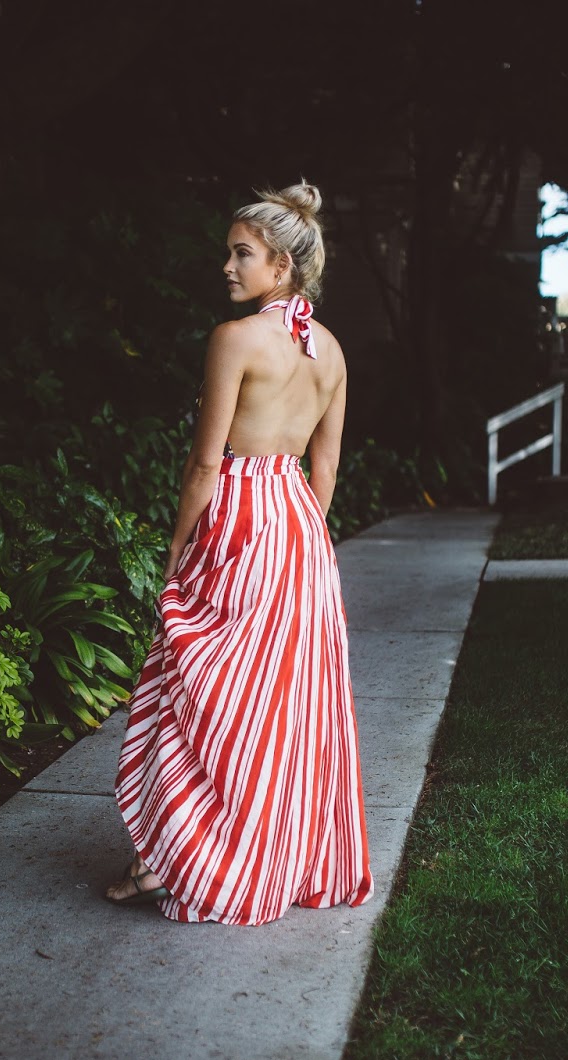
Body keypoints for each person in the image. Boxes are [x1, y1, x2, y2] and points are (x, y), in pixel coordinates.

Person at [105, 183, 373, 924]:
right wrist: (297, 546)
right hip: (300, 529)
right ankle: (253, 855)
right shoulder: (333, 352)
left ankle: (173, 860)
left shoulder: (235, 340)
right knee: (275, 709)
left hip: (239, 517)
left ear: (281, 267)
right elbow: (325, 469)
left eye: (241, 254)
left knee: (202, 691)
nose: (227, 266)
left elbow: (204, 465)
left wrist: (176, 552)